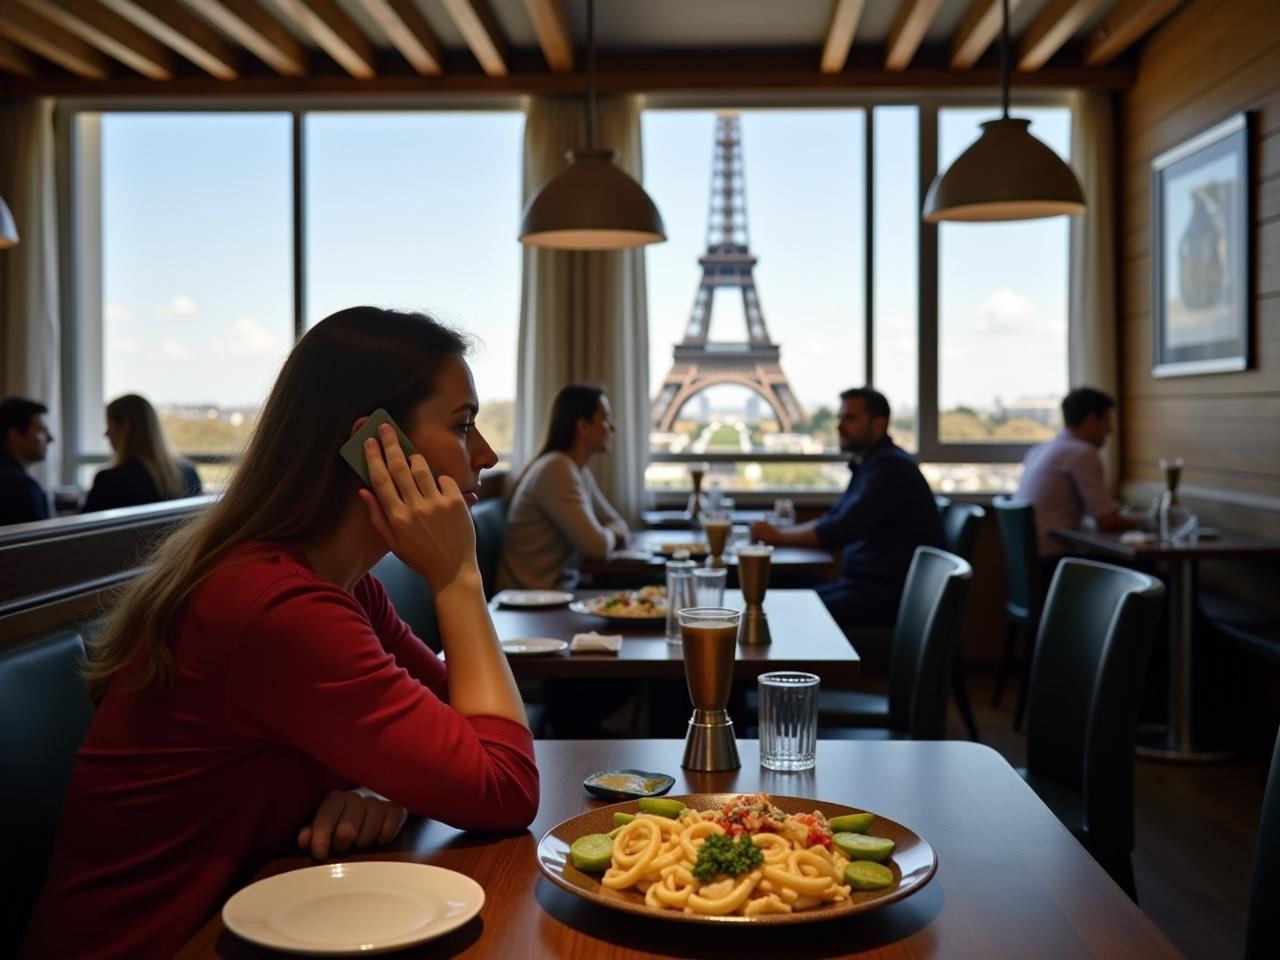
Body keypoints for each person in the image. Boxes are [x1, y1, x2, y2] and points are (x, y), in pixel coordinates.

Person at [23, 307, 539, 959]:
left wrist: (383, 785)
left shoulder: (344, 588)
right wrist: (458, 576)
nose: (487, 456)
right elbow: (508, 783)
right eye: (464, 426)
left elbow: (471, 735)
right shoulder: (275, 607)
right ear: (374, 447)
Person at [750, 387, 943, 639]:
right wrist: (779, 533)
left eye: (850, 418)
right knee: (785, 600)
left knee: (789, 610)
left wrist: (777, 536)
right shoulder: (872, 465)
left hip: (884, 598)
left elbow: (836, 531)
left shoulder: (889, 470)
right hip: (867, 588)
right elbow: (834, 520)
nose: (840, 426)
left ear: (878, 425)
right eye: (840, 418)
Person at [497, 384, 630, 591]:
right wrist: (613, 533)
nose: (612, 427)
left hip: (555, 592)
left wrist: (609, 532)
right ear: (583, 426)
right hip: (531, 598)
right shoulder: (556, 469)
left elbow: (616, 522)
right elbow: (597, 547)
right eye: (604, 418)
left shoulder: (576, 469)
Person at [1014, 386, 1138, 557]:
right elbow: (1107, 521)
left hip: (1031, 560)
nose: (1110, 430)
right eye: (1107, 421)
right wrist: (1151, 521)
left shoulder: (1039, 450)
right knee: (1149, 576)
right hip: (1057, 561)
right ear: (1091, 420)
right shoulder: (1082, 453)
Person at [82, 394, 202, 512]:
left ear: (125, 428)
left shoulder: (109, 481)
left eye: (109, 425)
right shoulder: (189, 473)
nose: (106, 434)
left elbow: (84, 527)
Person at [0, 396, 53, 526]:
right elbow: (41, 543)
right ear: (15, 436)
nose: (51, 439)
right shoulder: (22, 488)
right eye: (41, 430)